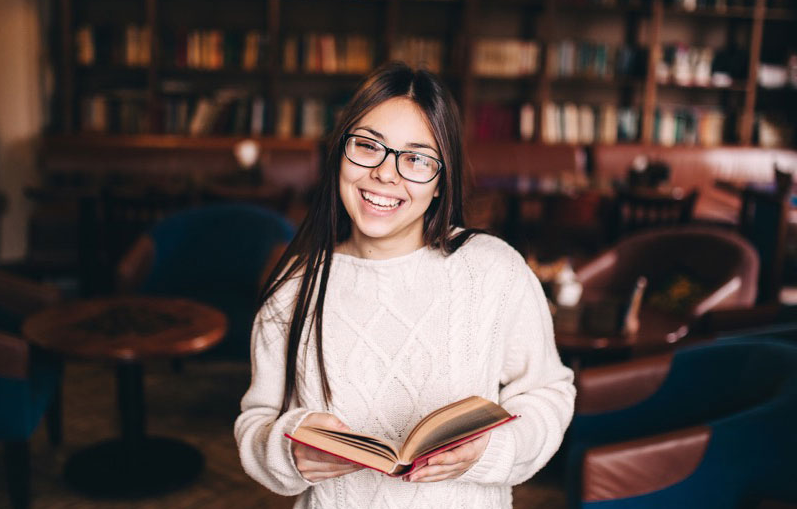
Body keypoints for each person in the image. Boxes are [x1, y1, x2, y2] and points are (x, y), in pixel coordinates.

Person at [234, 62, 575, 508]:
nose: (385, 174)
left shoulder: (493, 272)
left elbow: (548, 391)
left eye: (415, 158)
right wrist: (286, 451)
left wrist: (491, 451)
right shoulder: (294, 286)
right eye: (368, 146)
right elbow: (256, 419)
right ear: (340, 152)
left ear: (440, 182)